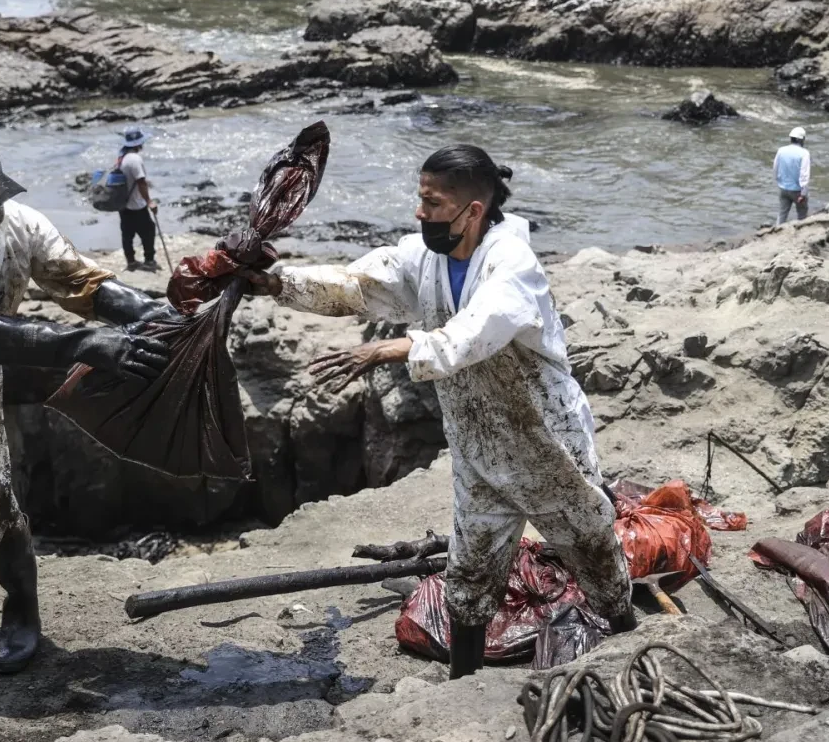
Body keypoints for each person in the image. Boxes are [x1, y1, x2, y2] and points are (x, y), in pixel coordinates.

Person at [240, 144, 637, 680]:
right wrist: (278, 282)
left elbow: (474, 333)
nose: (420, 213)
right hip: (477, 442)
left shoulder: (510, 264)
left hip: (544, 440)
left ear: (472, 210)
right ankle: (462, 684)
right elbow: (360, 285)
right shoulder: (425, 258)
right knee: (470, 572)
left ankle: (629, 634)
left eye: (431, 202)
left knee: (590, 548)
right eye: (420, 199)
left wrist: (389, 348)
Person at [0, 127, 174, 674]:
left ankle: (22, 611)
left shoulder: (13, 225)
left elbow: (80, 282)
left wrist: (147, 315)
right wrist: (86, 344)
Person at [117, 126, 158, 272]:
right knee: (148, 231)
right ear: (138, 143)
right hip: (136, 205)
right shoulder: (135, 159)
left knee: (127, 235)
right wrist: (149, 202)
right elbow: (140, 182)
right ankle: (149, 261)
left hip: (123, 205)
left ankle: (131, 262)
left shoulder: (122, 157)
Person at [774, 126, 811, 224]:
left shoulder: (781, 150)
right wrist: (803, 193)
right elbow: (804, 175)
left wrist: (779, 182)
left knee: (782, 214)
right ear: (801, 140)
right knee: (802, 214)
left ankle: (777, 233)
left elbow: (775, 168)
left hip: (783, 188)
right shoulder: (804, 153)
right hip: (797, 191)